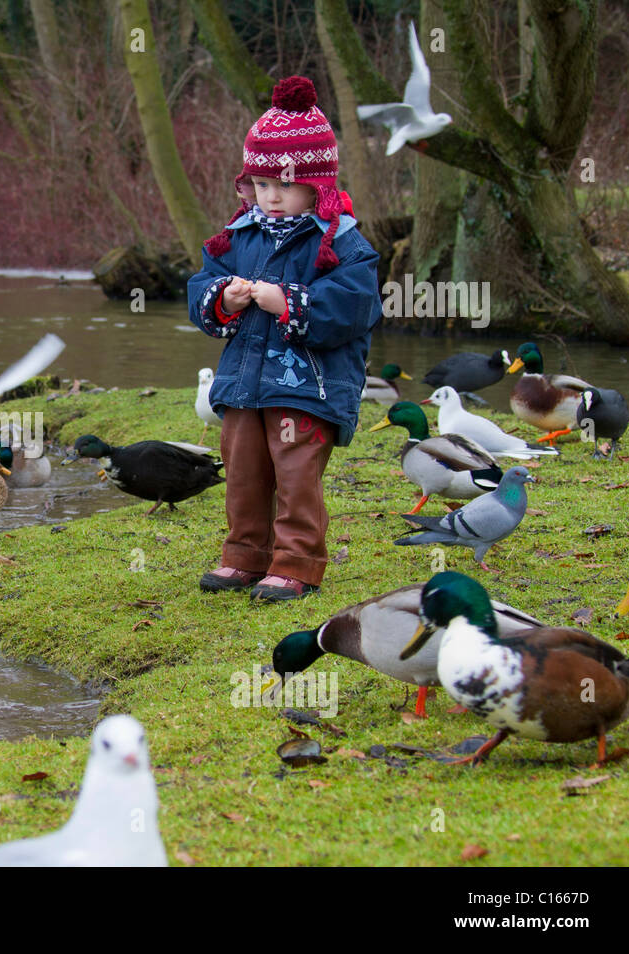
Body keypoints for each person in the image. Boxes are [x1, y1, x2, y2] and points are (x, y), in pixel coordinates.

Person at [188, 76, 382, 602]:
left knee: (295, 474)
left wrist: (289, 301)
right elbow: (202, 283)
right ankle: (245, 554)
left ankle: (297, 562)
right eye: (261, 184)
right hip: (243, 382)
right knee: (244, 468)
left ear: (316, 185)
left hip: (309, 386)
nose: (270, 197)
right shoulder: (238, 235)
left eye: (284, 186)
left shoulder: (340, 241)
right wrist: (221, 298)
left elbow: (356, 307)